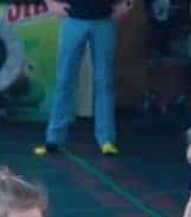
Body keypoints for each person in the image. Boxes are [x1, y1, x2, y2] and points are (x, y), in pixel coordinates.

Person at [34, 0, 135, 157]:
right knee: (65, 81)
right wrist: (49, 3)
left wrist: (128, 3)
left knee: (104, 82)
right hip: (74, 19)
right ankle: (54, 139)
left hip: (104, 20)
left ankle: (106, 139)